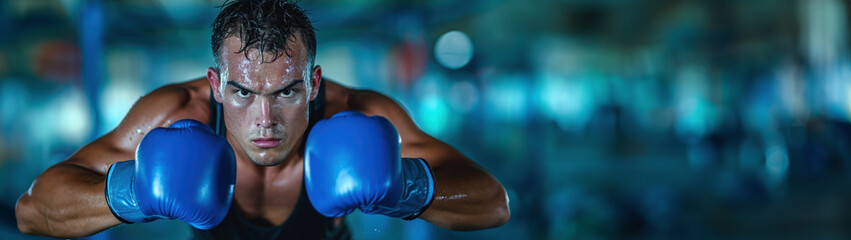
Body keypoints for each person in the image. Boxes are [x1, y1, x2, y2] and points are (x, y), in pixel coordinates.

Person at [14, 0, 509, 239]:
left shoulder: (359, 113)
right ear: (215, 84)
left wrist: (405, 188)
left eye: (288, 92)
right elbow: (33, 211)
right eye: (244, 92)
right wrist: (135, 192)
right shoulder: (174, 113)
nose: (264, 119)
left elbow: (493, 204)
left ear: (314, 83)